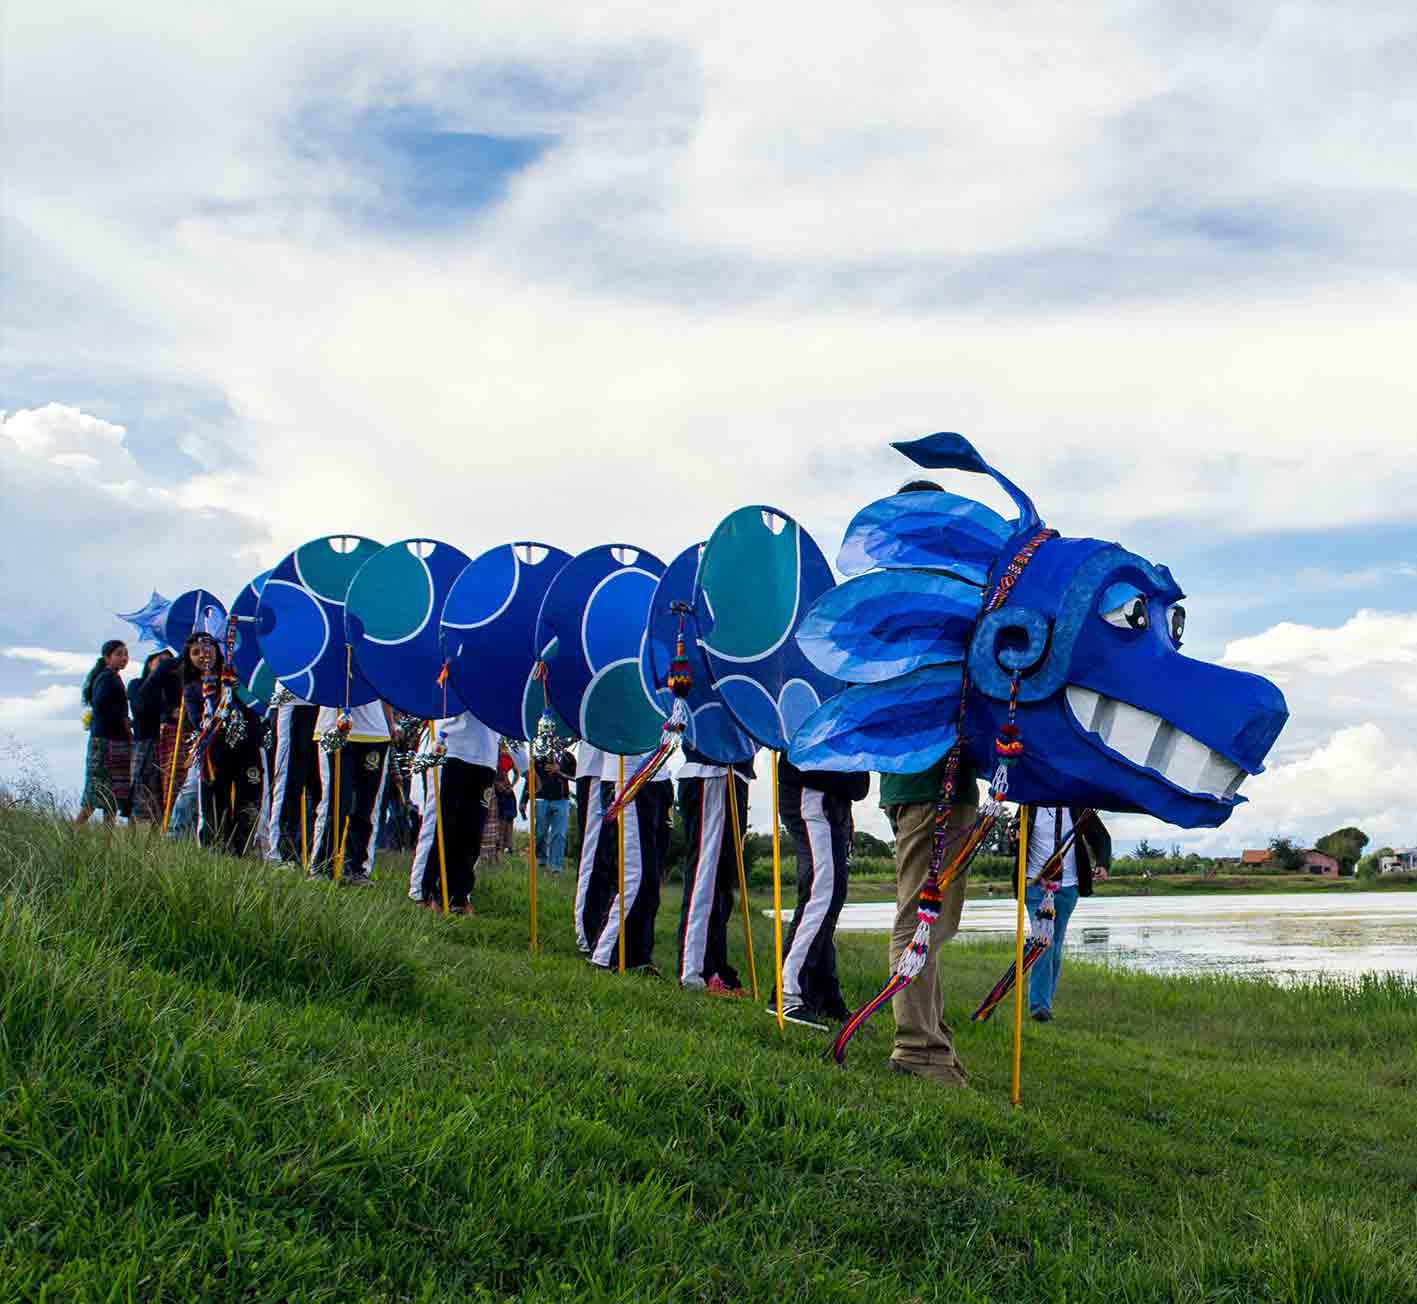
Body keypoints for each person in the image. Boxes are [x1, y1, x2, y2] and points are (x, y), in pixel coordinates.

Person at [879, 476, 978, 1087]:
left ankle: (932, 1039)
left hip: (936, 777)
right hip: (926, 778)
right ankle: (916, 1049)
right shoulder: (912, 597)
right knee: (921, 914)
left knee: (934, 919)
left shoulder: (908, 592)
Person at [773, 758, 870, 1026]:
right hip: (813, 788)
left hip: (833, 794)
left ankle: (824, 996)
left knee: (831, 894)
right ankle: (788, 993)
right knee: (821, 892)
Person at [412, 711, 523, 913]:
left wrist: (524, 764)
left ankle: (458, 897)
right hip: (450, 749)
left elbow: (508, 712)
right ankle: (424, 893)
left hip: (486, 759)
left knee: (471, 834)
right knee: (441, 827)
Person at [1013, 806, 1111, 1022]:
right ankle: (1039, 1006)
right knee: (1043, 942)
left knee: (1055, 946)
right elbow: (1012, 840)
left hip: (1067, 888)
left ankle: (1045, 1001)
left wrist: (1103, 864)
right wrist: (1014, 837)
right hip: (1035, 885)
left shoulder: (1078, 806)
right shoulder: (1028, 805)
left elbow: (1101, 837)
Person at [675, 745, 756, 996]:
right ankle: (695, 972)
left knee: (721, 885)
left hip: (734, 774)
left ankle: (716, 969)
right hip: (711, 772)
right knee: (705, 876)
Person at [587, 752, 672, 974]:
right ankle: (605, 957)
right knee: (632, 875)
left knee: (651, 880)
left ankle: (637, 958)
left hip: (658, 775)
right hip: (627, 777)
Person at [309, 699, 395, 886]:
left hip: (375, 733)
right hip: (335, 729)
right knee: (336, 803)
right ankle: (322, 866)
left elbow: (384, 685)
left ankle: (355, 868)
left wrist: (389, 724)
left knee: (366, 807)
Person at [76, 639, 132, 825]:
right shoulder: (106, 678)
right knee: (96, 791)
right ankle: (74, 831)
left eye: (125, 654)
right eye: (118, 654)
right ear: (107, 658)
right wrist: (121, 720)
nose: (124, 658)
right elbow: (100, 705)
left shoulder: (113, 677)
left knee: (112, 794)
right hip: (106, 742)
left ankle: (106, 838)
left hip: (113, 740)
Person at [264, 691, 321, 868]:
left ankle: (317, 855)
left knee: (321, 788)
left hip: (325, 705)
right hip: (291, 702)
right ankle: (281, 853)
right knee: (288, 783)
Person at [127, 649, 173, 822]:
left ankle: (158, 835)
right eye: (160, 661)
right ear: (149, 663)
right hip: (144, 742)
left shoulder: (172, 690)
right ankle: (134, 834)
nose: (164, 666)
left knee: (161, 792)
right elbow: (140, 707)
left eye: (168, 663)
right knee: (139, 786)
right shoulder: (136, 684)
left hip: (166, 744)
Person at [572, 743, 608, 952]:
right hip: (597, 769)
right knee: (594, 854)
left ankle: (601, 927)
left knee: (608, 857)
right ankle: (587, 933)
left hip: (619, 768)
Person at [522, 745, 575, 873]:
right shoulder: (537, 758)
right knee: (540, 833)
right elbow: (530, 779)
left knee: (559, 834)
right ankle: (541, 859)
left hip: (562, 800)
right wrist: (524, 800)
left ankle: (556, 867)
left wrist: (559, 770)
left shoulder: (567, 757)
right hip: (541, 799)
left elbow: (577, 776)